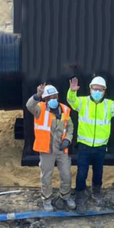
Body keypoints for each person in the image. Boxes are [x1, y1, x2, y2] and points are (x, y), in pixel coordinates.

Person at [66, 76, 114, 206]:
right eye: (95, 89)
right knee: (82, 172)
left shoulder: (109, 105)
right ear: (90, 89)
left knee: (98, 172)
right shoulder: (83, 102)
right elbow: (71, 101)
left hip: (100, 147)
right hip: (84, 146)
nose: (97, 92)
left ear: (104, 91)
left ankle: (96, 192)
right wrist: (72, 91)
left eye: (100, 90)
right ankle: (80, 194)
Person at [26, 83, 76, 211]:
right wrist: (37, 95)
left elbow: (70, 126)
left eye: (55, 97)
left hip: (61, 149)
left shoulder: (65, 110)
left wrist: (68, 139)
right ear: (45, 99)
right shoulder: (39, 109)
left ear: (58, 96)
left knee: (66, 174)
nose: (53, 99)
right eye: (49, 98)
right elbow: (29, 105)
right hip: (46, 149)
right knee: (46, 176)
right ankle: (47, 199)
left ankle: (65, 196)